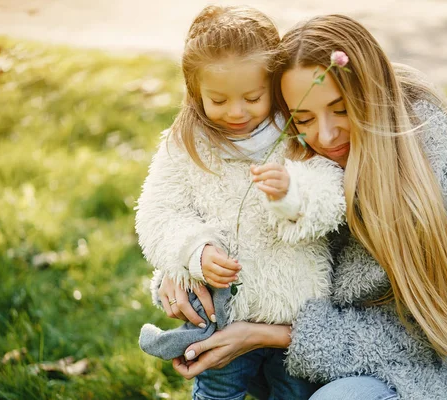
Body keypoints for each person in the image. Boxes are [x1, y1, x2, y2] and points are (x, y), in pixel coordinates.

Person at [153, 14, 447, 400]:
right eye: (303, 117)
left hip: (443, 365)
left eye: (341, 109)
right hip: (320, 349)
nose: (326, 135)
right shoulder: (297, 158)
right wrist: (185, 262)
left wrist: (270, 335)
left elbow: (432, 335)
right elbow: (244, 229)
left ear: (371, 94)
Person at [135, 6, 346, 400]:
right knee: (217, 392)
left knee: (295, 394)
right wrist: (195, 251)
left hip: (296, 313)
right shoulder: (186, 145)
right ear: (195, 92)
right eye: (218, 99)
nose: (236, 112)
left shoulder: (295, 134)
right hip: (225, 312)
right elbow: (157, 213)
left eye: (253, 97)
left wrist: (291, 195)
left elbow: (332, 192)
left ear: (274, 87)